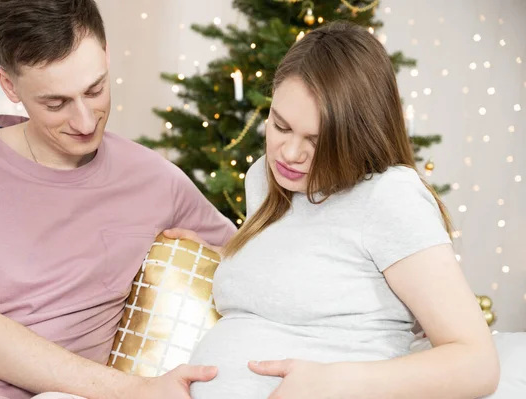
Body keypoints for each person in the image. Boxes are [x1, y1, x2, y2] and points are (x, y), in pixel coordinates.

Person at [0, 1, 235, 398]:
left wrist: (215, 254)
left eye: (96, 90)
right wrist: (135, 391)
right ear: (9, 85)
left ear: (106, 58)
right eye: (56, 104)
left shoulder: (155, 179)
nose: (86, 122)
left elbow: (258, 267)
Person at [184, 21, 500, 399]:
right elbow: (302, 269)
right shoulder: (266, 180)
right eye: (281, 126)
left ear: (357, 136)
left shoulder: (389, 196)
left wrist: (330, 382)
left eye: (316, 142)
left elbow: (477, 363)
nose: (290, 153)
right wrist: (214, 255)